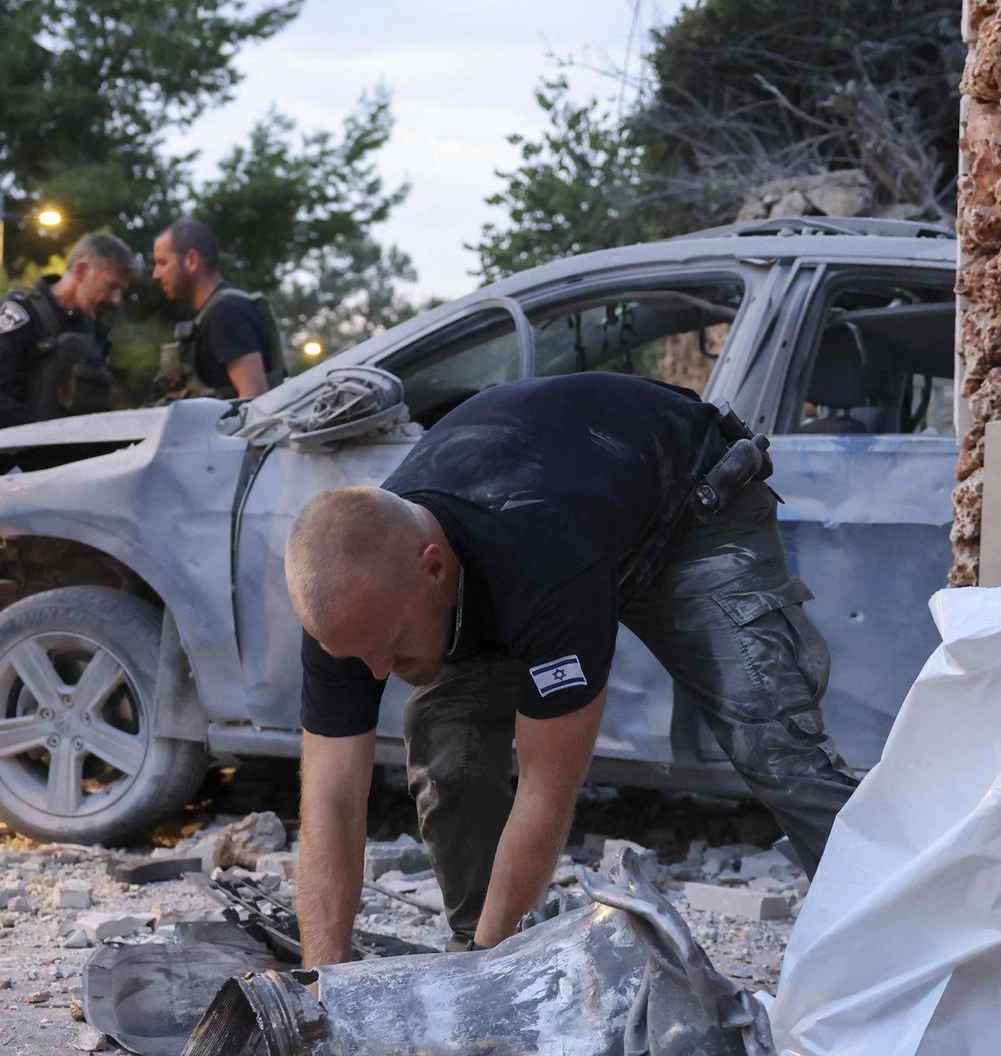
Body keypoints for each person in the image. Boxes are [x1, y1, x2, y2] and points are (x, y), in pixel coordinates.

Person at [285, 371, 856, 966]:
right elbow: (331, 803)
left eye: (392, 643)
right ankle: (479, 941)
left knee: (775, 744)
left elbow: (546, 789)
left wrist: (485, 979)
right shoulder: (355, 602)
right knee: (447, 738)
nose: (378, 671)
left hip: (690, 508)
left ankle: (907, 935)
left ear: (433, 569)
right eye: (358, 655)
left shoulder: (541, 563)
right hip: (549, 522)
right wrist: (319, 982)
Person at [0, 232, 140, 427]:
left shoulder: (95, 329)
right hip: (20, 453)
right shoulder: (21, 313)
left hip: (77, 454)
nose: (116, 300)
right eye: (111, 287)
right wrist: (44, 434)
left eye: (121, 291)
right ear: (81, 271)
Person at [151, 218, 285, 400]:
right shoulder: (217, 311)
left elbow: (254, 397)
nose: (156, 274)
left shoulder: (226, 313)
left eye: (163, 263)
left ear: (191, 260)